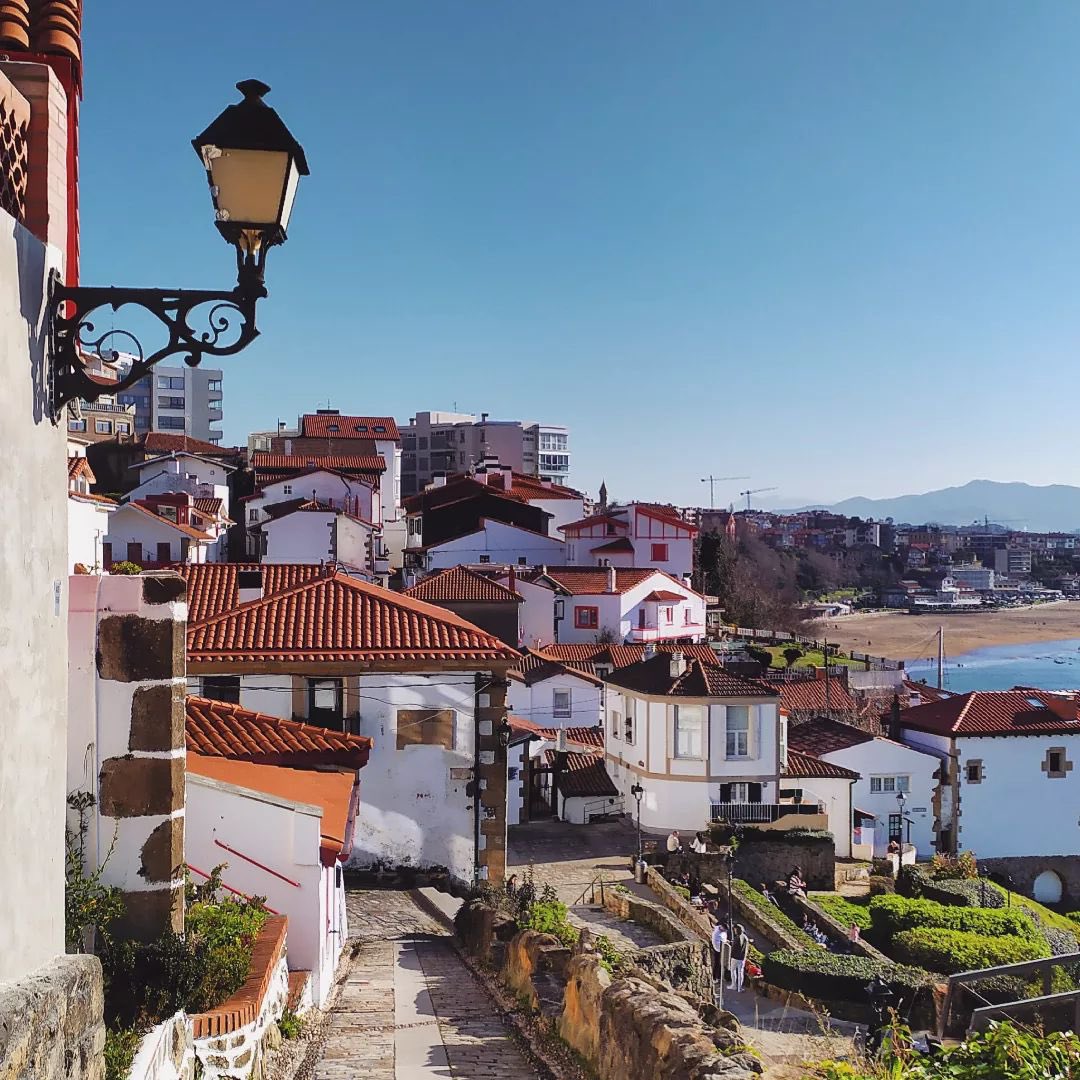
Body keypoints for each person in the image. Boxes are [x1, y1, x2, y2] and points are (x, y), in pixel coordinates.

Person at [728, 924, 750, 992]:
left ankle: (734, 985)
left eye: (735, 929)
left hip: (735, 957)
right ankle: (739, 988)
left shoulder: (737, 937)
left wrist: (730, 943)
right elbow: (746, 949)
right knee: (740, 972)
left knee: (733, 971)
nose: (734, 931)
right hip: (742, 958)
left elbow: (734, 947)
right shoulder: (745, 938)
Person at [711, 918, 729, 986]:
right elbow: (717, 943)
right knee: (717, 963)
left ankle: (718, 977)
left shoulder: (719, 928)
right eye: (724, 930)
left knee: (719, 964)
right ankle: (716, 977)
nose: (725, 931)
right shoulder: (717, 934)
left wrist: (726, 941)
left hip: (721, 948)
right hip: (718, 950)